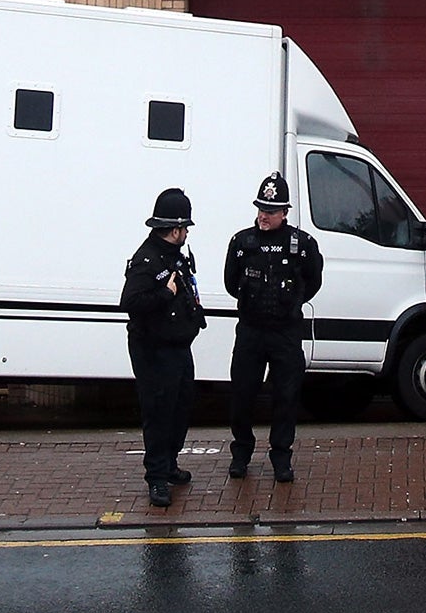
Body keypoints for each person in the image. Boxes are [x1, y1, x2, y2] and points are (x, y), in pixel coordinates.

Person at [221, 171, 323, 485]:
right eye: (261, 209)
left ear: (285, 212)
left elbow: (313, 281)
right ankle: (241, 453)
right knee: (242, 394)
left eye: (271, 210)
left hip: (285, 332)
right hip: (251, 330)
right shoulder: (242, 242)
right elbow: (230, 282)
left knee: (286, 396)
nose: (264, 216)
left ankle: (281, 457)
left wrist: (289, 303)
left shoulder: (302, 244)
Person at [121, 187, 205, 507]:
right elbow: (131, 302)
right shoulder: (147, 259)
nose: (186, 233)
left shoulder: (174, 256)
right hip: (153, 349)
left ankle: (169, 464)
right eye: (184, 228)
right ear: (174, 230)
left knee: (181, 407)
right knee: (158, 411)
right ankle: (156, 477)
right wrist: (165, 295)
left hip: (178, 346)